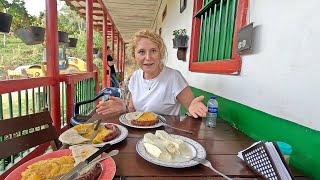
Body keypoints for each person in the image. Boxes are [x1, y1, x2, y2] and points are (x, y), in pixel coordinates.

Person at [96, 29, 207, 118]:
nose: (148, 58)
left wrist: (193, 107)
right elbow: (132, 110)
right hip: (138, 133)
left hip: (165, 138)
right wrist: (123, 108)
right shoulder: (135, 77)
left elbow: (191, 107)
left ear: (161, 54)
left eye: (153, 51)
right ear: (134, 56)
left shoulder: (174, 77)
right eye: (141, 52)